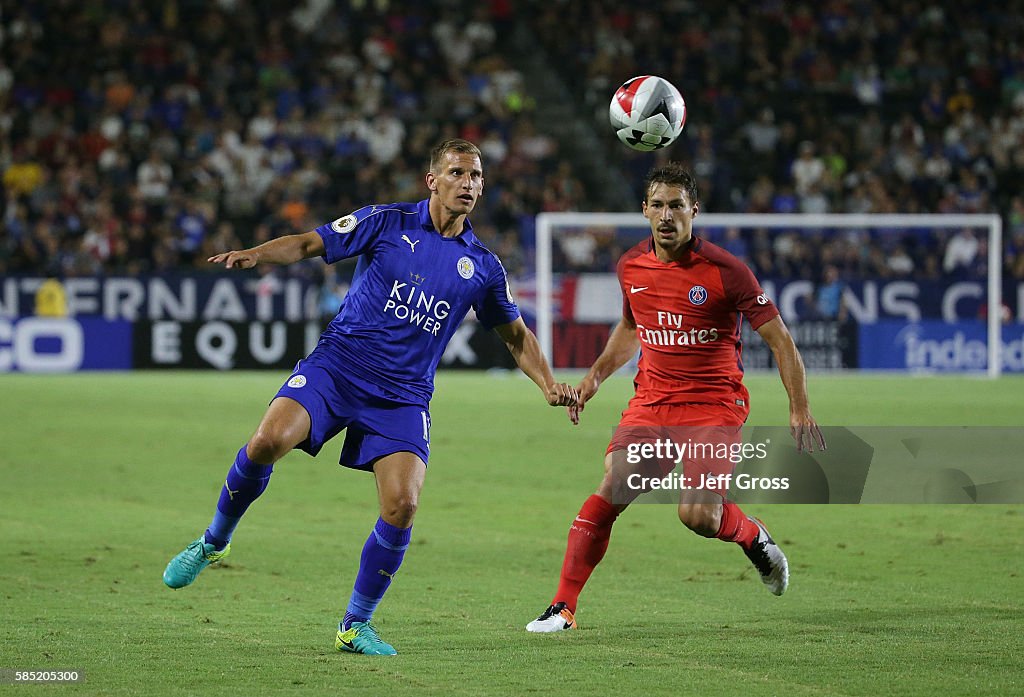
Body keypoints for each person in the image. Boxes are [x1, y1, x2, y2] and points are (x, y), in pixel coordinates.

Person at [162, 138, 579, 655]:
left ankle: (355, 625)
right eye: (457, 173)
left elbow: (515, 335)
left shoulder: (484, 266)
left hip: (402, 397)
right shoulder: (386, 221)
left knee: (402, 505)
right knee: (268, 440)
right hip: (338, 367)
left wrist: (549, 385)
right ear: (433, 180)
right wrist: (257, 254)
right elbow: (311, 244)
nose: (468, 184)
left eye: (476, 176)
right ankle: (214, 541)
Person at [525, 163, 826, 633]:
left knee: (699, 515)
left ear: (694, 212)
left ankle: (753, 537)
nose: (667, 215)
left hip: (713, 405)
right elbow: (631, 326)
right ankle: (563, 607)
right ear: (644, 210)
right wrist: (595, 378)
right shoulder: (631, 266)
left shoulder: (727, 272)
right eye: (658, 205)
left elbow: (781, 340)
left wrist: (799, 406)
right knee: (614, 483)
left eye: (677, 206)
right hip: (653, 400)